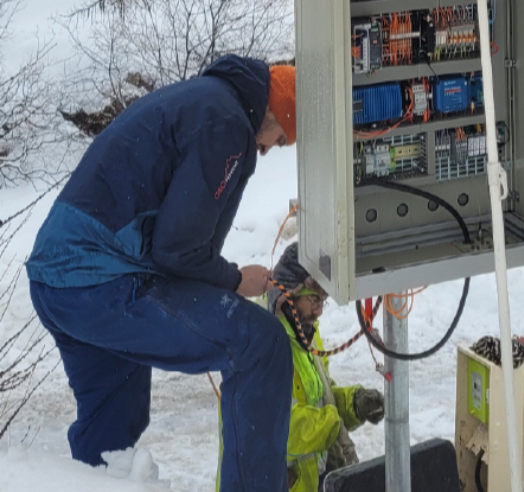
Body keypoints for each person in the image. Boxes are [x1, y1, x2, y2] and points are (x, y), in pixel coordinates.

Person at [26, 55, 298, 492]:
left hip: (57, 279)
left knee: (112, 428)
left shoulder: (203, 100)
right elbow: (177, 250)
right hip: (102, 279)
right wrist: (233, 280)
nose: (268, 149)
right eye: (280, 139)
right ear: (273, 111)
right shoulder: (225, 122)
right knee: (260, 345)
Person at [218, 244, 386, 492]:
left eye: (323, 301)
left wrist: (354, 404)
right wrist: (332, 425)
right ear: (287, 293)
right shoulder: (256, 340)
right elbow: (274, 426)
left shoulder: (304, 334)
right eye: (314, 299)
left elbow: (321, 396)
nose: (319, 310)